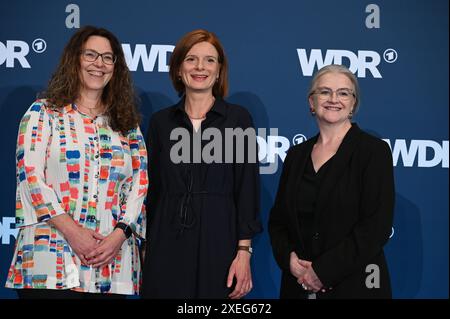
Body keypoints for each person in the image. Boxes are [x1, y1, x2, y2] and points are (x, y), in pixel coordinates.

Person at [5, 26, 148, 299]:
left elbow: (139, 184)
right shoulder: (44, 113)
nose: (99, 64)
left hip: (111, 263)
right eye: (91, 55)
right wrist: (74, 233)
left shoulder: (127, 125)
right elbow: (31, 178)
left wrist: (119, 234)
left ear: (116, 67)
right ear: (75, 60)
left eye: (108, 57)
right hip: (49, 259)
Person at [142, 29, 262, 299]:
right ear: (178, 69)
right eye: (191, 59)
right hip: (167, 238)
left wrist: (244, 252)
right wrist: (145, 246)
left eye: (209, 60)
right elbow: (152, 189)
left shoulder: (237, 119)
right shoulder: (161, 122)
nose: (200, 67)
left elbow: (247, 188)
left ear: (219, 71)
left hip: (219, 238)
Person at [268, 64, 395, 299]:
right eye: (325, 92)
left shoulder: (373, 152)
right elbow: (278, 222)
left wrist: (322, 272)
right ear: (311, 102)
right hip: (298, 286)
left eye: (343, 93)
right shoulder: (296, 156)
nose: (333, 99)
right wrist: (290, 261)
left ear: (353, 104)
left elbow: (375, 228)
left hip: (355, 287)